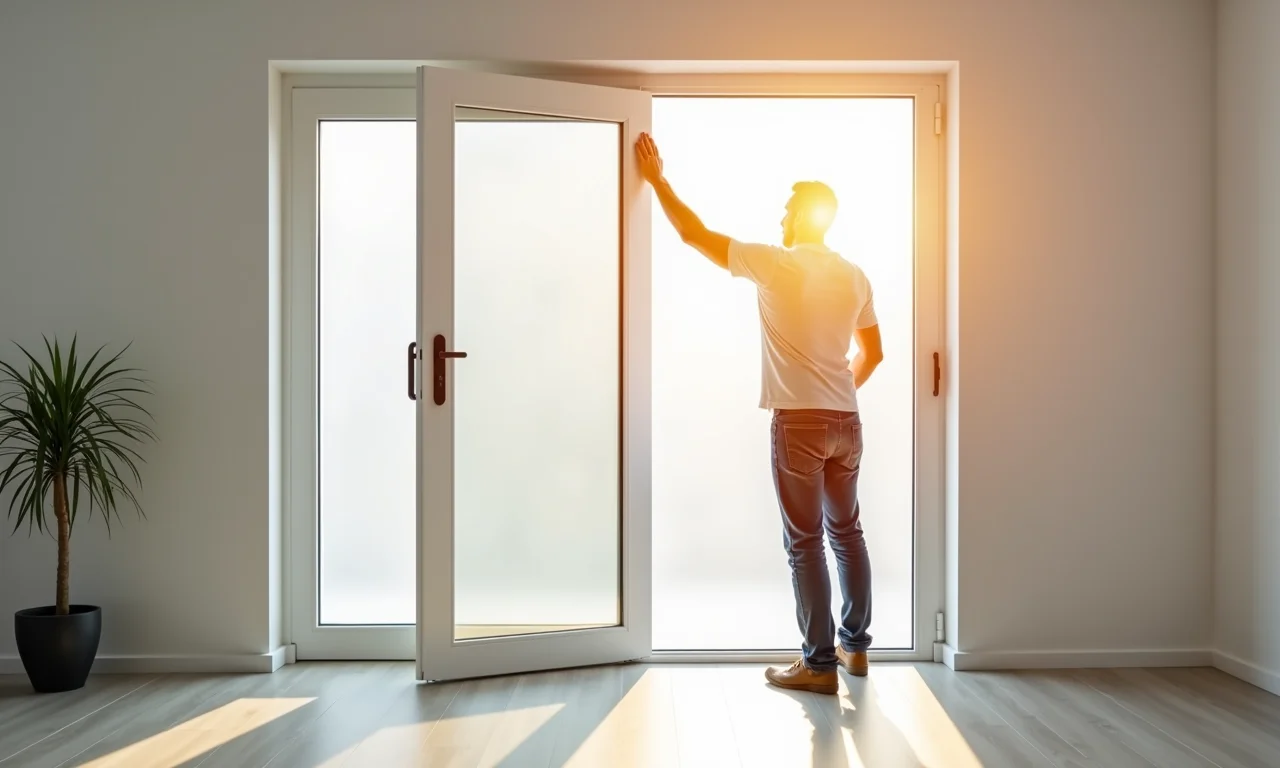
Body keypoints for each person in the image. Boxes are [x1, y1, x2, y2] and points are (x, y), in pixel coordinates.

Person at [635, 133, 883, 696]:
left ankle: (818, 666)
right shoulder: (855, 275)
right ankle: (856, 650)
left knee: (805, 544)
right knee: (847, 532)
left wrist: (657, 181)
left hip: (798, 423)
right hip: (847, 422)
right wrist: (839, 388)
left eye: (787, 210)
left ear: (802, 218)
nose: (780, 218)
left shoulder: (776, 264)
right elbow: (874, 354)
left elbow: (694, 235)